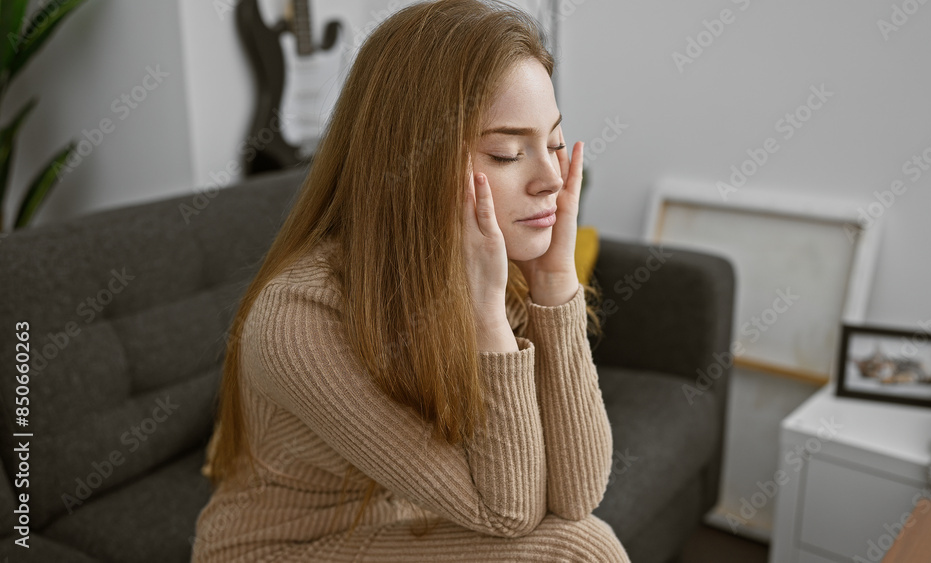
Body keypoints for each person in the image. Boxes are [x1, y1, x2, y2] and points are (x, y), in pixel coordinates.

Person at [192, 1, 629, 560]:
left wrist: (554, 281)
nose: (550, 179)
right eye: (506, 152)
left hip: (407, 520)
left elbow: (576, 494)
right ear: (414, 161)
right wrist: (488, 320)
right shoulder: (297, 318)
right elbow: (511, 512)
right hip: (284, 547)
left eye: (554, 143)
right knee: (579, 551)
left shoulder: (489, 265)